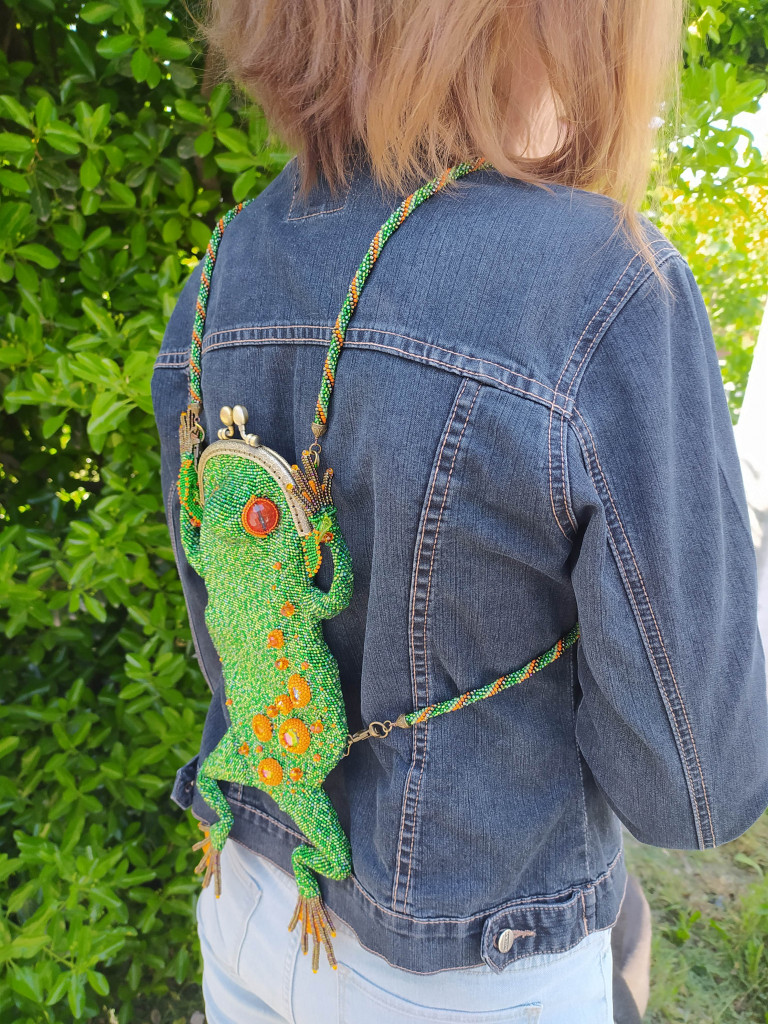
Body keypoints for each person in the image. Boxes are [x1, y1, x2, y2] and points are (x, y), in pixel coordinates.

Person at [151, 1, 768, 1021]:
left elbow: (223, 621)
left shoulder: (222, 270)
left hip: (248, 898)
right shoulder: (600, 284)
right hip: (476, 968)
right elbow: (693, 788)